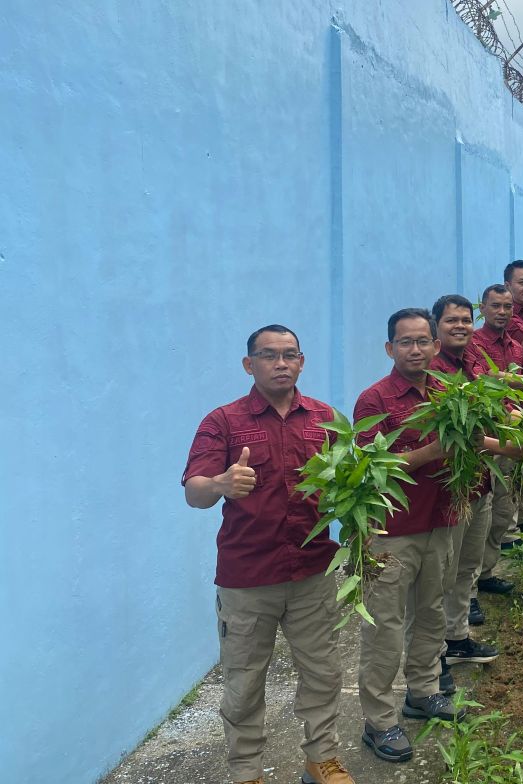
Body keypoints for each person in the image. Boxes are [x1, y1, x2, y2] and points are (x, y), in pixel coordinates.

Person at [181, 325, 356, 784]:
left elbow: (356, 487)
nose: (281, 363)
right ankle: (247, 773)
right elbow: (194, 493)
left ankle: (322, 760)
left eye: (289, 355)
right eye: (269, 355)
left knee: (323, 673)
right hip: (247, 578)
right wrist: (220, 484)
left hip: (312, 573)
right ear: (249, 365)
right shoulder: (222, 422)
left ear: (302, 362)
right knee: (243, 683)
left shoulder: (326, 419)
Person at [351, 309, 464, 764]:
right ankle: (378, 721)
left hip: (441, 521)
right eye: (405, 342)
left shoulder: (449, 393)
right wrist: (432, 452)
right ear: (389, 348)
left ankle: (423, 691)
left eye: (423, 341)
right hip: (392, 530)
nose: (415, 350)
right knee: (384, 625)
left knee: (432, 611)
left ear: (436, 346)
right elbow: (369, 470)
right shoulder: (373, 400)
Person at [430, 295, 506, 671]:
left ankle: (457, 638)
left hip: (479, 485)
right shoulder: (432, 373)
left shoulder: (470, 364)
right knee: (444, 573)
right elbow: (460, 439)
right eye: (450, 321)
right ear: (436, 328)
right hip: (449, 493)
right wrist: (511, 445)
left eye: (465, 319)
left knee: (467, 567)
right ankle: (433, 654)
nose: (460, 326)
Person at [469, 285, 523, 595]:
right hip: (485, 439)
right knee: (481, 512)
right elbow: (483, 381)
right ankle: (470, 589)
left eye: (507, 306)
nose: (503, 311)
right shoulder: (474, 344)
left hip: (511, 440)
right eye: (496, 306)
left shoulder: (516, 348)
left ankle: (487, 572)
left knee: (502, 511)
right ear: (483, 307)